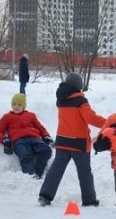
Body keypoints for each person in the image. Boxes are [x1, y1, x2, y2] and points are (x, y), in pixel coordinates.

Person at [38, 72, 106, 207]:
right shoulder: (80, 101)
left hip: (62, 140)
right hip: (79, 143)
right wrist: (109, 123)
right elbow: (91, 118)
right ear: (78, 86)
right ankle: (89, 200)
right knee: (84, 171)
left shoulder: (61, 100)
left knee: (56, 169)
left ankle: (45, 196)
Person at [0, 93, 53, 178]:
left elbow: (40, 128)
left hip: (34, 139)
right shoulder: (7, 117)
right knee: (24, 154)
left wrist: (46, 136)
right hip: (19, 141)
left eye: (19, 104)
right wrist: (4, 139)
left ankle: (39, 173)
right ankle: (30, 174)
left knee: (46, 150)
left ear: (24, 106)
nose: (16, 106)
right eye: (14, 104)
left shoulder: (31, 116)